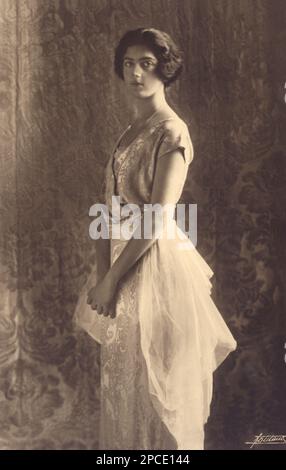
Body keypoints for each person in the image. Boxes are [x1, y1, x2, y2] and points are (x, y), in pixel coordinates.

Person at [73, 27, 237, 450]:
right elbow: (104, 209)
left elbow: (158, 215)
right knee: (124, 388)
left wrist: (111, 280)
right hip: (120, 269)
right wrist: (101, 275)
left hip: (156, 266)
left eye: (146, 64)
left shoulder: (171, 131)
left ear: (165, 69)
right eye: (128, 63)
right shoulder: (128, 132)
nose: (136, 73)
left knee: (159, 391)